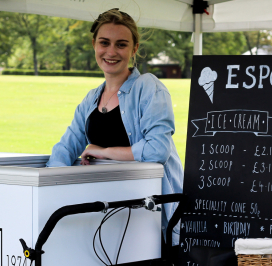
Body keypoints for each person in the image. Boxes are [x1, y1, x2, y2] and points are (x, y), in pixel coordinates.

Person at [46, 8, 183, 245]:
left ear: (134, 48)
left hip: (149, 214)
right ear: (94, 44)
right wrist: (49, 188)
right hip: (106, 213)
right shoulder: (91, 98)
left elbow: (158, 150)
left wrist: (103, 152)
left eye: (121, 44)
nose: (111, 52)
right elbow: (65, 149)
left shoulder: (149, 88)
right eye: (104, 43)